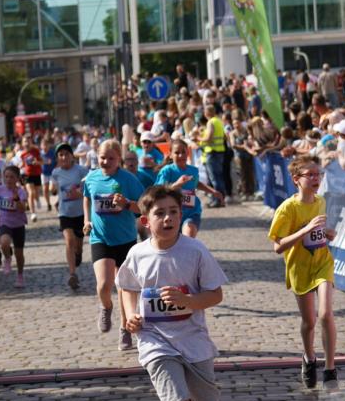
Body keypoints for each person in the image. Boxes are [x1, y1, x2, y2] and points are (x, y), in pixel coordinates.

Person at [116, 185, 227, 401]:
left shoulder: (195, 251)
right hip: (155, 342)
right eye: (160, 213)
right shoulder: (137, 254)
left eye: (174, 212)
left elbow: (216, 294)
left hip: (194, 343)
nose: (168, 218)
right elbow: (126, 287)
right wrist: (130, 317)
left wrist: (189, 300)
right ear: (145, 221)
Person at [267, 155, 338, 390]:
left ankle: (330, 369)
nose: (316, 178)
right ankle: (309, 358)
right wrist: (305, 229)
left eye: (318, 174)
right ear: (296, 179)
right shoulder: (288, 208)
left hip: (322, 263)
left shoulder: (321, 201)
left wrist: (327, 232)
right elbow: (278, 246)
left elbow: (318, 232)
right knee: (309, 322)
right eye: (311, 175)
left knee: (326, 314)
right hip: (299, 268)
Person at [83, 139, 144, 348]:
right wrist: (86, 220)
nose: (106, 161)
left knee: (124, 286)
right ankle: (105, 306)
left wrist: (126, 204)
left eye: (111, 158)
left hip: (126, 239)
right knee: (103, 284)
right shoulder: (91, 178)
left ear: (119, 159)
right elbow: (87, 198)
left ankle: (125, 329)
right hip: (100, 238)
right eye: (102, 157)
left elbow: (143, 207)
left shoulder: (129, 179)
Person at [157, 138, 223, 238]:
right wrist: (177, 184)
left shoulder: (193, 170)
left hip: (191, 211)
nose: (181, 155)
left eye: (183, 152)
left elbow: (196, 183)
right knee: (175, 244)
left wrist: (213, 191)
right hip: (171, 214)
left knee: (188, 236)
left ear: (188, 152)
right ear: (170, 154)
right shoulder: (167, 171)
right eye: (177, 152)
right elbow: (159, 191)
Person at [51, 142, 88, 290]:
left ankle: (78, 252)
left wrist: (79, 192)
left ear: (72, 156)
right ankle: (72, 274)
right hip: (64, 212)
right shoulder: (56, 173)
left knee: (78, 243)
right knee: (69, 240)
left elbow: (88, 187)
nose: (64, 157)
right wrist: (52, 190)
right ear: (58, 158)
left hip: (80, 212)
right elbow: (53, 189)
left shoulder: (81, 170)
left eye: (67, 154)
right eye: (61, 155)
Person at [0, 165, 28, 289]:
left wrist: (17, 199)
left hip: (18, 224)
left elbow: (22, 209)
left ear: (17, 178)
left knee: (19, 253)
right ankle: (7, 258)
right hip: (4, 222)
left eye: (12, 177)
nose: (9, 179)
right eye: (6, 177)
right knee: (4, 242)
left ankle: (20, 276)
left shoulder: (21, 192)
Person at [199, 104, 227, 206]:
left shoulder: (211, 122)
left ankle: (217, 200)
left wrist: (198, 139)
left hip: (212, 152)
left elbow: (209, 138)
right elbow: (224, 137)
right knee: (218, 177)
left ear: (207, 113)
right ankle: (220, 199)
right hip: (220, 151)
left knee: (214, 178)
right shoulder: (219, 121)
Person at [18, 134, 42, 222]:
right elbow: (23, 163)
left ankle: (38, 198)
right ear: (22, 143)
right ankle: (33, 213)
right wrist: (20, 166)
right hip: (27, 175)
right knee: (31, 192)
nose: (27, 143)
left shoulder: (36, 151)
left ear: (31, 142)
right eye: (25, 141)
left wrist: (37, 162)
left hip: (37, 174)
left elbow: (41, 161)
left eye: (28, 141)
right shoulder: (22, 154)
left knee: (36, 191)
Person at [40, 138, 56, 212]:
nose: (45, 147)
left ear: (49, 146)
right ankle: (48, 204)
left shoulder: (52, 153)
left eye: (46, 145)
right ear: (41, 146)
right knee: (44, 190)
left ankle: (54, 191)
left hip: (52, 173)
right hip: (43, 173)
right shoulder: (40, 153)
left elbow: (54, 162)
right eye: (44, 145)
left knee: (51, 188)